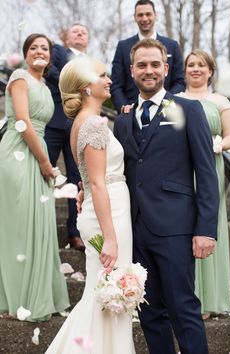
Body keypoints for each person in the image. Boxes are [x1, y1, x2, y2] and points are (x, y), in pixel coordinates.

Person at [113, 39, 219, 354]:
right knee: (149, 313)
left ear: (166, 68)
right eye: (142, 65)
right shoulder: (122, 121)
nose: (149, 71)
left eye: (155, 64)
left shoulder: (186, 109)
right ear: (131, 70)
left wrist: (206, 228)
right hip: (135, 230)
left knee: (183, 309)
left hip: (176, 228)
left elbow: (206, 172)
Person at [45, 56, 135, 354]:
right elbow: (96, 182)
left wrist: (86, 189)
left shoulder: (81, 122)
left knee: (105, 296)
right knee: (108, 296)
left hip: (103, 208)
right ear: (85, 87)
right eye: (102, 76)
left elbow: (87, 177)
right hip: (109, 214)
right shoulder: (93, 123)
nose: (109, 80)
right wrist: (109, 237)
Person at [0, 33, 69, 321]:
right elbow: (22, 122)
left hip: (38, 152)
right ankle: (14, 299)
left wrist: (44, 160)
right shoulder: (19, 77)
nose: (39, 51)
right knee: (19, 227)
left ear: (50, 56)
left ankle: (37, 294)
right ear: (26, 54)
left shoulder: (44, 84)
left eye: (45, 48)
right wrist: (45, 160)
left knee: (39, 224)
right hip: (18, 154)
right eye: (34, 47)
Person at [178, 49, 230, 317]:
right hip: (180, 168)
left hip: (210, 167)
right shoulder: (174, 101)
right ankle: (185, 294)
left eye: (201, 65)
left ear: (210, 71)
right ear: (185, 70)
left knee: (208, 225)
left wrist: (217, 144)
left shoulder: (220, 101)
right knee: (183, 226)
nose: (196, 69)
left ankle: (208, 298)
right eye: (191, 65)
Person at [45, 23, 89, 251]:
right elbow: (51, 72)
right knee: (45, 172)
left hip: (76, 126)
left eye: (83, 31)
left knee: (76, 178)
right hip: (54, 122)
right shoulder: (60, 51)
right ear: (67, 37)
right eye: (75, 31)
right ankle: (41, 227)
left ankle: (74, 232)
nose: (79, 33)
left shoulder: (91, 63)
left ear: (88, 40)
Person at [111, 0, 185, 113]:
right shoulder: (123, 47)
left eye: (148, 14)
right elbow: (116, 84)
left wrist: (166, 103)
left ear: (155, 15)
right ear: (134, 17)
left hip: (165, 111)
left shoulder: (172, 45)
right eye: (140, 15)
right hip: (132, 111)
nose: (144, 19)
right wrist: (125, 108)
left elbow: (179, 81)